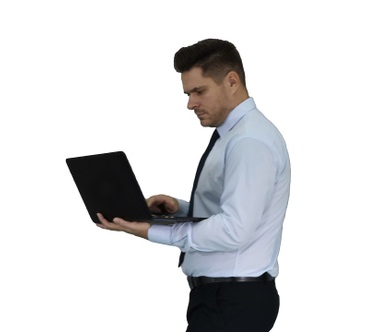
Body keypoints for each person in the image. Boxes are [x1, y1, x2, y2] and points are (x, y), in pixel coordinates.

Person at [96, 38, 291, 332]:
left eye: (199, 91)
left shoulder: (249, 141)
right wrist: (180, 209)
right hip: (222, 299)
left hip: (233, 302)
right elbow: (236, 211)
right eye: (188, 93)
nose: (190, 104)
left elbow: (234, 230)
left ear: (232, 81)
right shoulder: (234, 135)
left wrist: (153, 230)